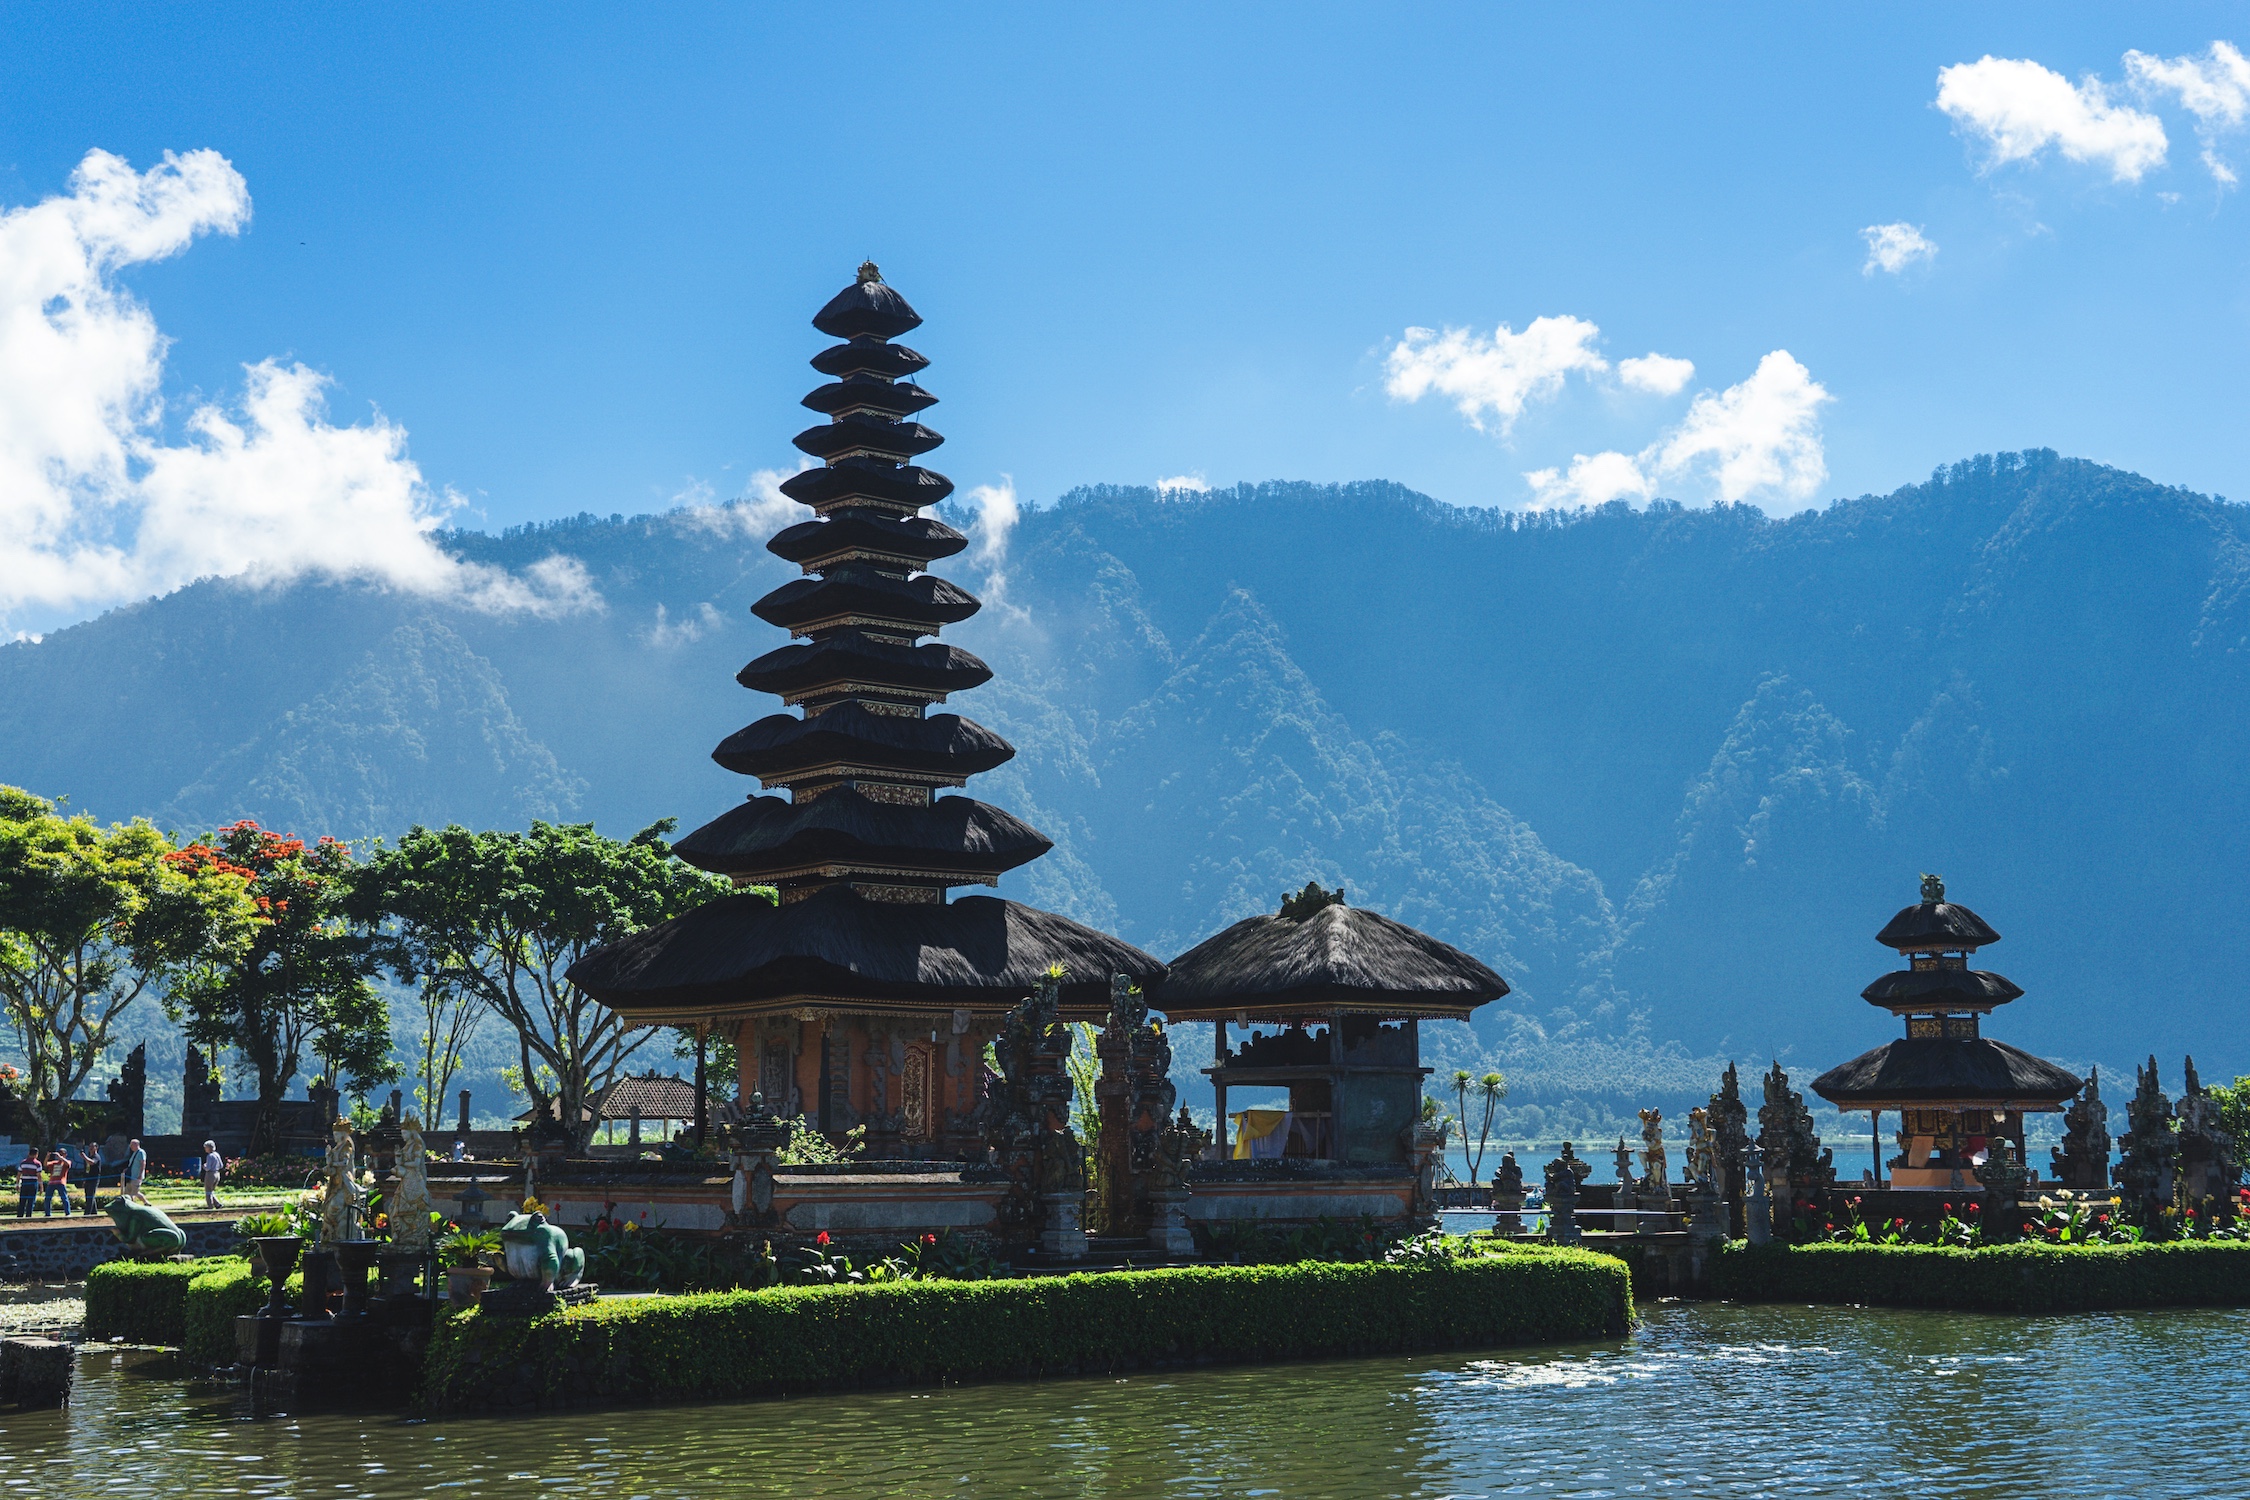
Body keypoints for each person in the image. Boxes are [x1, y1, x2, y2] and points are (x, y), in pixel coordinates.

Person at [39, 1146, 69, 1217]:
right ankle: (47, 1214)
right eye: (59, 1153)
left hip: (60, 1183)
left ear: (65, 1154)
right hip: (51, 1182)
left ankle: (67, 1213)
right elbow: (45, 1164)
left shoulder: (66, 1162)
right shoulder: (54, 1163)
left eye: (62, 1153)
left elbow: (67, 1164)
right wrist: (47, 1157)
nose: (60, 1154)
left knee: (64, 1198)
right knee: (47, 1198)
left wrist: (60, 1157)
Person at [121, 1137, 148, 1203]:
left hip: (136, 1176)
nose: (130, 1146)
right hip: (131, 1176)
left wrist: (140, 1174)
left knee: (133, 1193)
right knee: (129, 1192)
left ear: (136, 1145)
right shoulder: (134, 1153)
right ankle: (146, 1202)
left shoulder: (141, 1152)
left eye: (131, 1145)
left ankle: (131, 1205)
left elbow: (143, 1163)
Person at [199, 1139, 224, 1209]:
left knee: (208, 1191)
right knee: (211, 1190)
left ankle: (210, 1206)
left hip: (210, 1174)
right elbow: (221, 1165)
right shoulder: (217, 1154)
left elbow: (208, 1168)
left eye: (205, 1147)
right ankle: (217, 1204)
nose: (205, 1149)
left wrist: (204, 1166)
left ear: (209, 1148)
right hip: (217, 1174)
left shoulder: (209, 1156)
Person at [14, 1147, 39, 1218]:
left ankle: (19, 1216)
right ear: (36, 1154)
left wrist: (17, 1184)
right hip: (33, 1182)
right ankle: (28, 1216)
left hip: (24, 1182)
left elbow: (18, 1174)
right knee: (31, 1201)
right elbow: (39, 1176)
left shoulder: (23, 1162)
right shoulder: (37, 1163)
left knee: (22, 1200)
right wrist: (41, 1186)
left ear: (29, 1153)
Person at [81, 1140, 102, 1215]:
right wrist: (84, 1179)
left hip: (94, 1179)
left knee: (90, 1196)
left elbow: (92, 1162)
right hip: (88, 1179)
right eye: (89, 1146)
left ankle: (87, 1213)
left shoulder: (97, 1157)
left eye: (92, 1147)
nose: (90, 1148)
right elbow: (87, 1169)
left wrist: (84, 1157)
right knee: (89, 1196)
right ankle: (94, 1213)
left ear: (96, 1148)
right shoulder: (89, 1156)